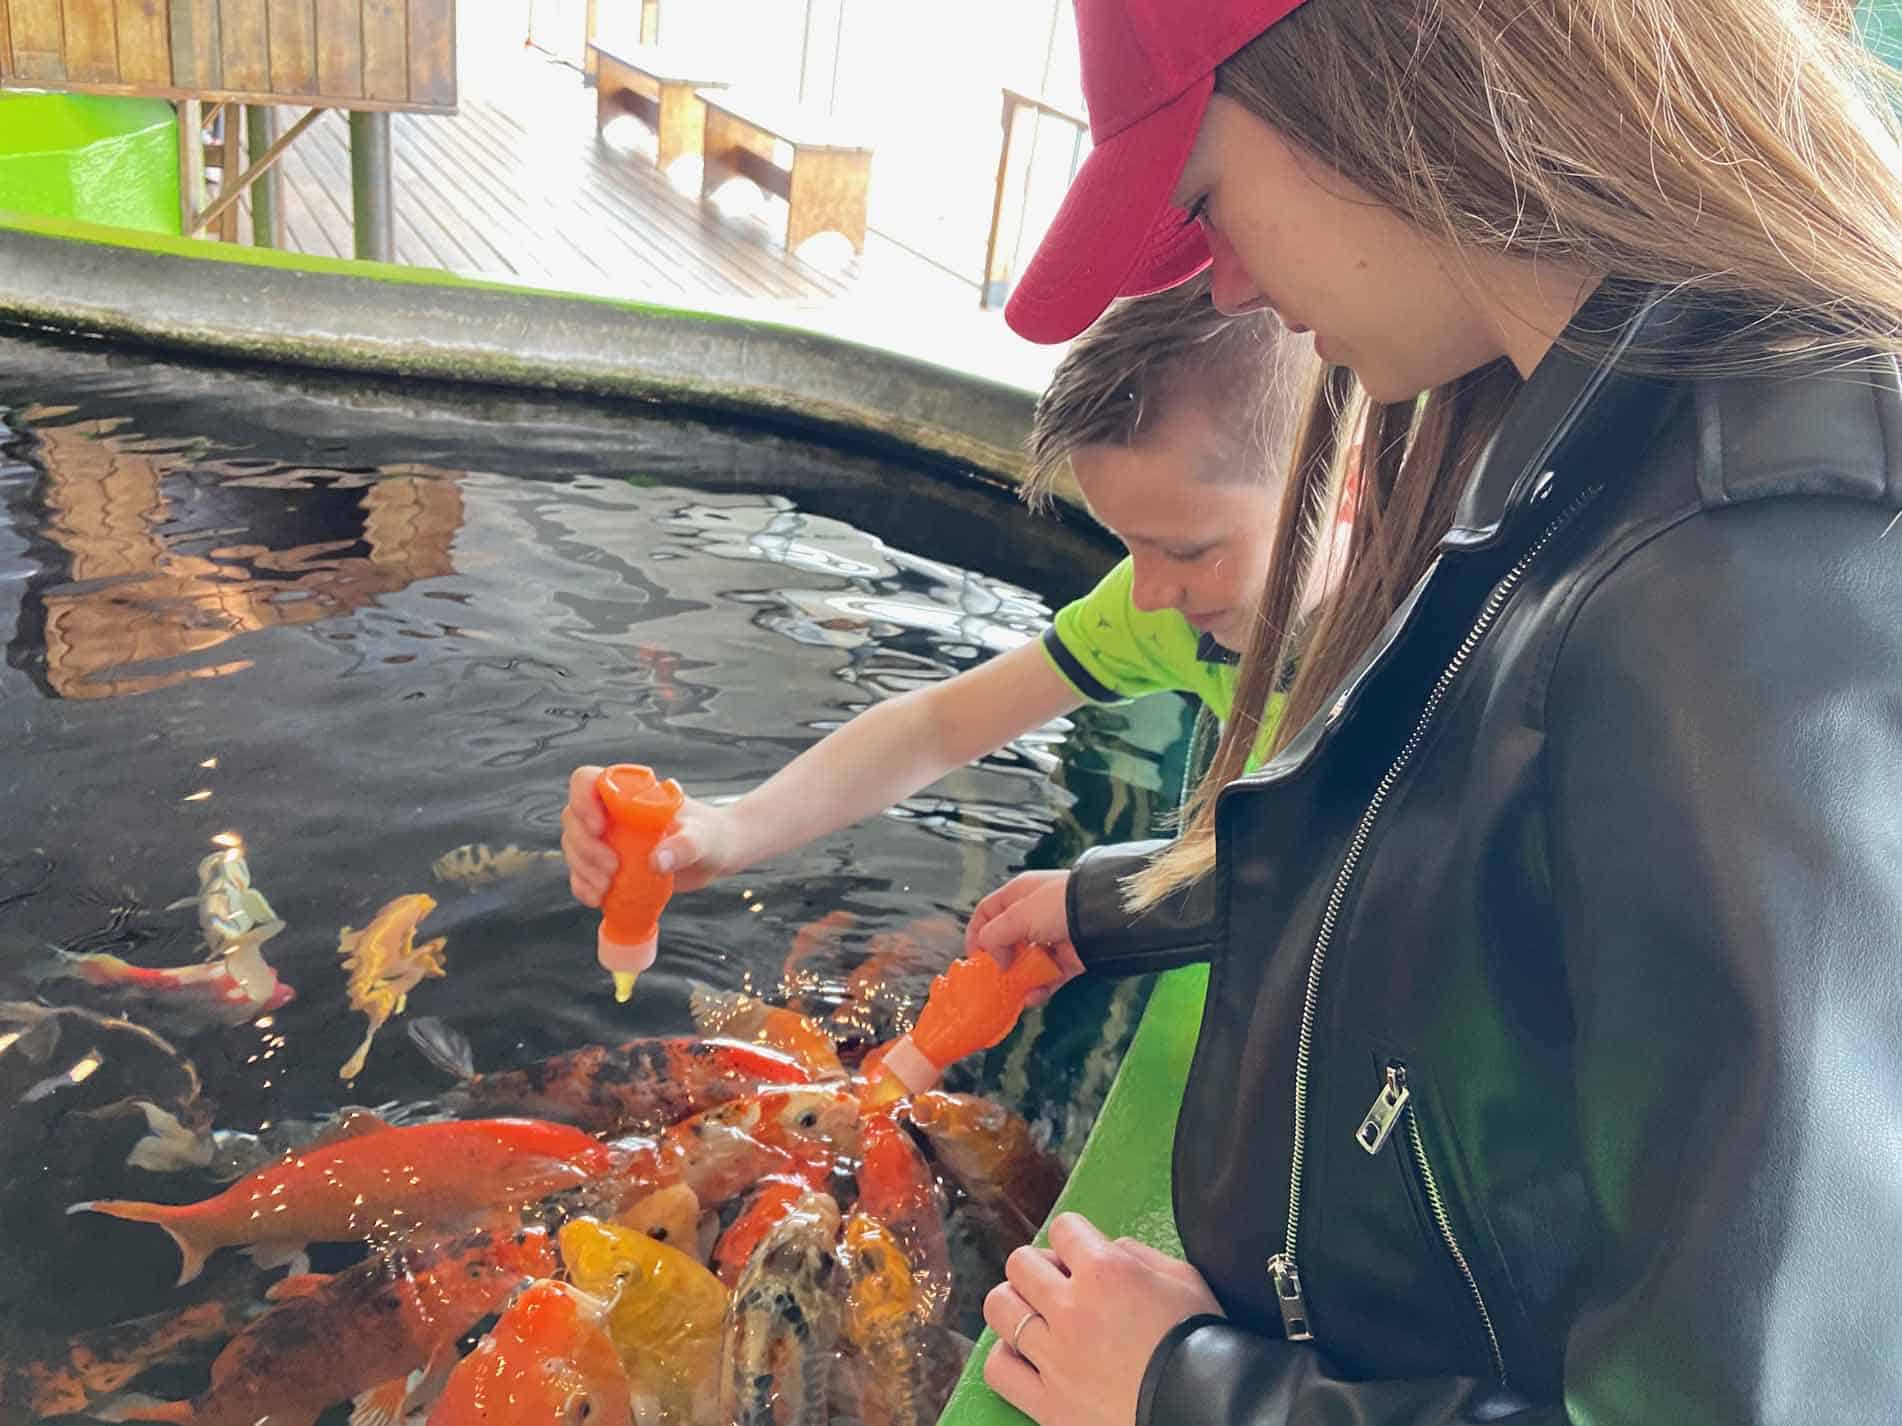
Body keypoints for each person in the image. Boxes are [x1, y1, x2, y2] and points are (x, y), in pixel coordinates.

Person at [962, 1, 1902, 1424]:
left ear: (1385, 75)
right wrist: (1125, 906)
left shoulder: (1752, 570)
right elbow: (1472, 845)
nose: (1218, 287)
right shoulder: (1583, 422)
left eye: (1205, 201)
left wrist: (1191, 1392)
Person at [562, 273, 1314, 909]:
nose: (1146, 593)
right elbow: (937, 725)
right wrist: (732, 832)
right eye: (1128, 544)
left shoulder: (1424, 657)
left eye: (1185, 549)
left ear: (1339, 489)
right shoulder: (1170, 611)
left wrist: (1101, 907)